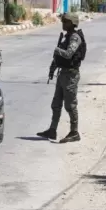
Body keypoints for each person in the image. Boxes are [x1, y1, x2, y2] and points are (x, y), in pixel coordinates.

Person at [37, 13, 87, 143]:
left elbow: (69, 54)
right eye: (63, 21)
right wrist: (53, 67)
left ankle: (74, 132)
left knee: (70, 105)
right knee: (56, 104)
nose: (63, 24)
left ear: (72, 23)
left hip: (71, 75)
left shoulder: (75, 37)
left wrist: (57, 50)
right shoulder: (67, 37)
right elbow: (59, 56)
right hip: (63, 73)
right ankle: (52, 130)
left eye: (66, 22)